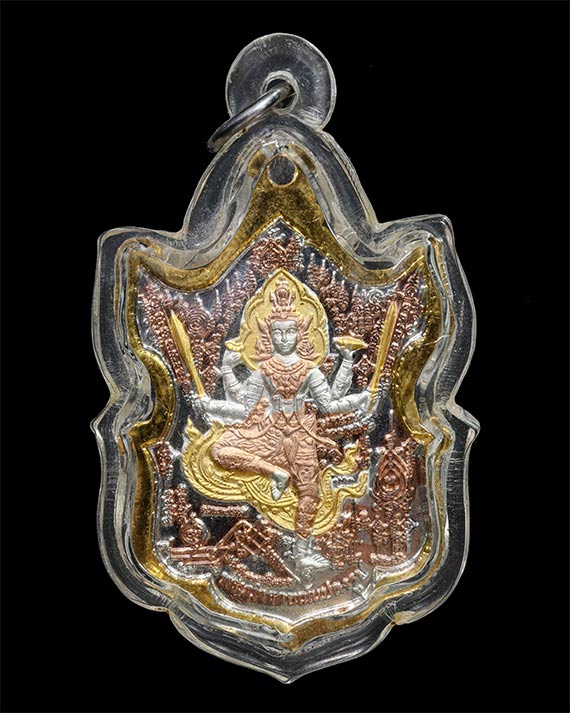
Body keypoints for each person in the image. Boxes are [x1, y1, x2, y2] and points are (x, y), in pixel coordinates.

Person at [196, 277, 370, 568]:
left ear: (300, 335)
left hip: (302, 437)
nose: (285, 338)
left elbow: (328, 404)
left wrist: (354, 382)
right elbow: (244, 407)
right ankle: (275, 473)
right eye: (278, 333)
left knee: (310, 493)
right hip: (269, 433)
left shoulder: (310, 370)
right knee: (218, 450)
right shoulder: (263, 370)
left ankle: (302, 553)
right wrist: (212, 401)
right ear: (269, 335)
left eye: (290, 332)